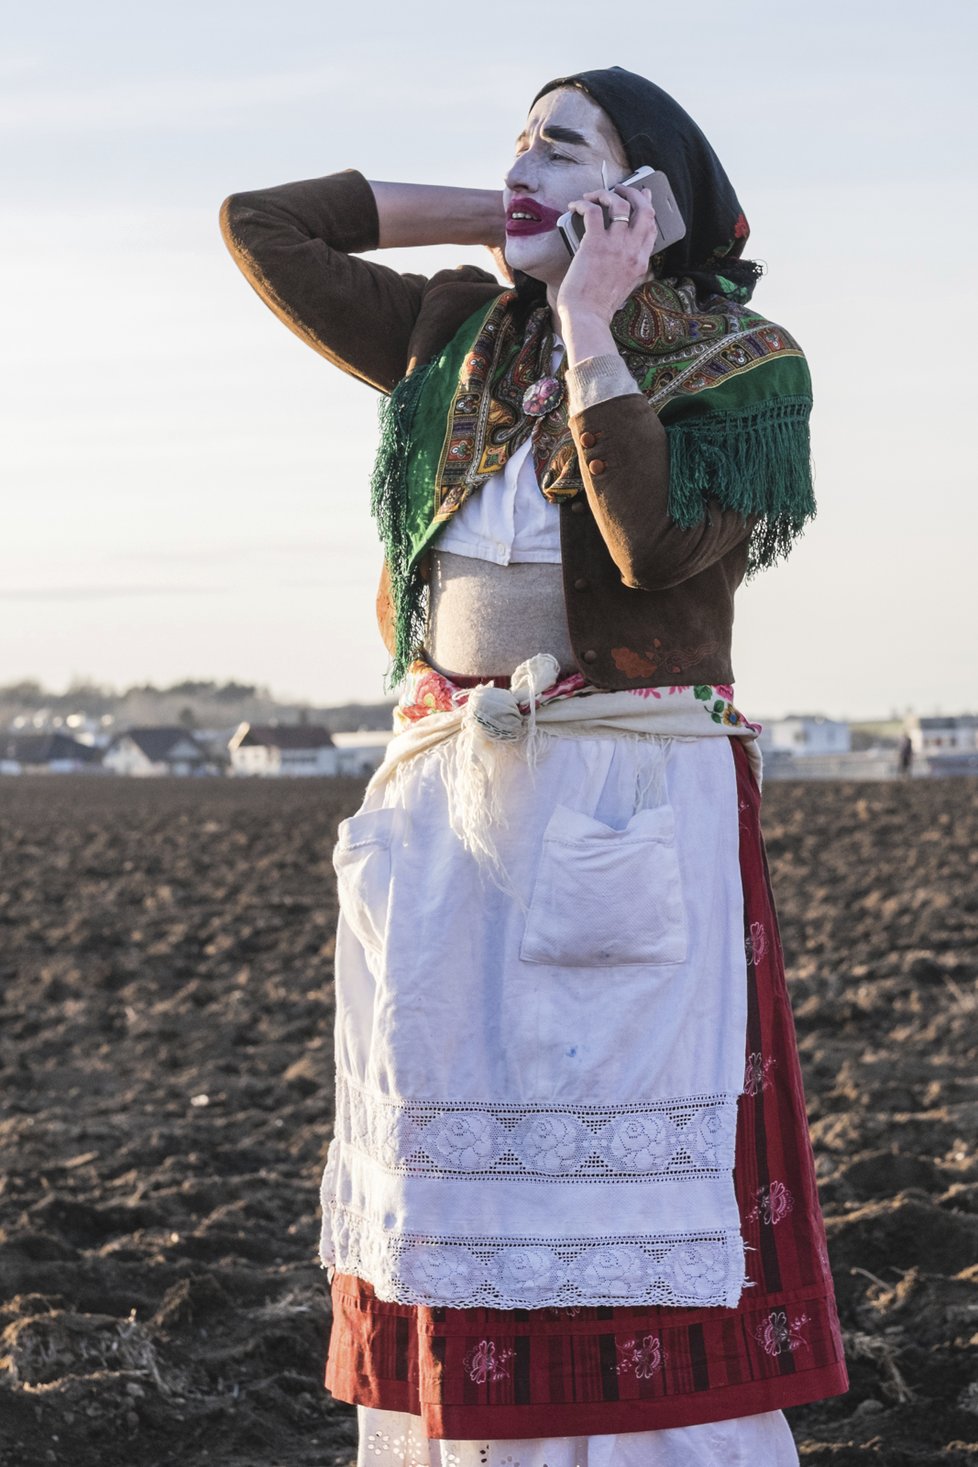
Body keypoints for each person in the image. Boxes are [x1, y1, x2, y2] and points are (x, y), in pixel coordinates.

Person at [221, 65, 848, 1467]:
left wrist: (589, 311)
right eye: (517, 142)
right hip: (450, 793)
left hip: (622, 791)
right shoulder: (453, 326)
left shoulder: (741, 365)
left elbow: (646, 547)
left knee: (603, 1123)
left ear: (652, 194)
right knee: (453, 1138)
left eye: (561, 144)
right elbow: (264, 224)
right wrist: (511, 214)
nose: (522, 159)